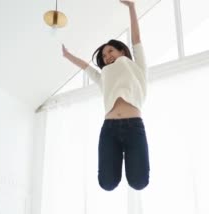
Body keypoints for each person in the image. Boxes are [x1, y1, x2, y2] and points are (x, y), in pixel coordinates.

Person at [62, 0, 149, 191]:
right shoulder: (104, 76)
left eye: (110, 51)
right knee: (107, 183)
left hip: (134, 127)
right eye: (103, 56)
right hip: (109, 129)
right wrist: (68, 56)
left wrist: (132, 8)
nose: (106, 56)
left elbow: (136, 39)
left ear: (122, 51)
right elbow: (86, 67)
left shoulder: (137, 66)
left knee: (139, 182)